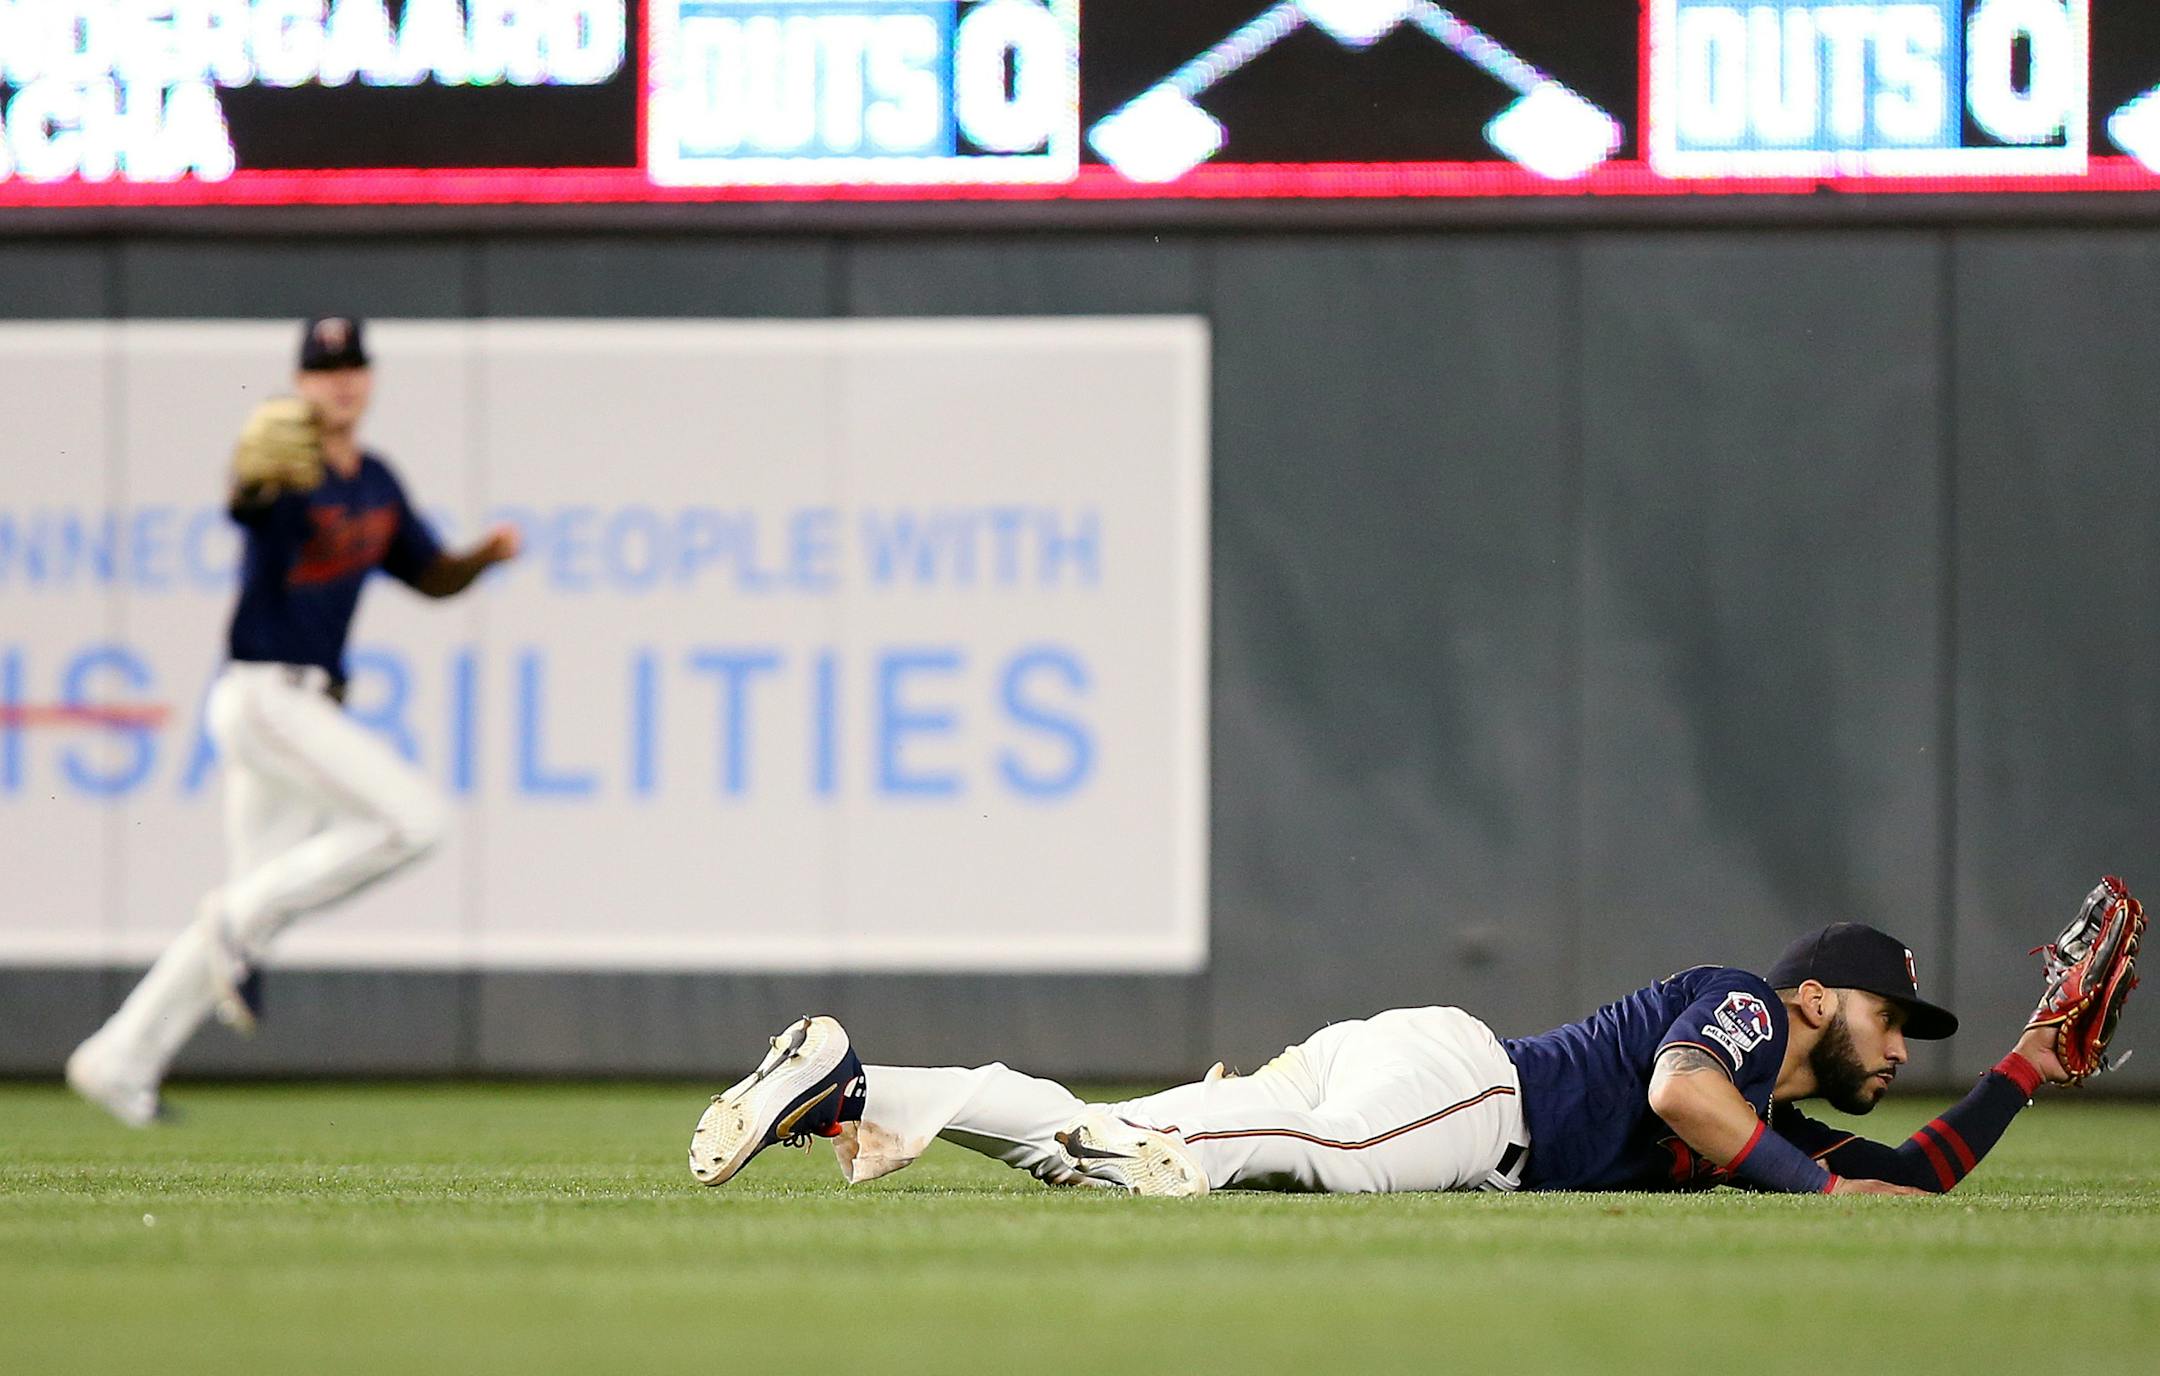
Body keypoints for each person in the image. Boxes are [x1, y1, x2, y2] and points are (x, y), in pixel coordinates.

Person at [687, 921, 2073, 1196]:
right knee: (1297, 1166)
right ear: (1821, 999)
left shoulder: (1786, 1126)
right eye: (1896, 1022)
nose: (1900, 1050)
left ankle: (859, 1086)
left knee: (1086, 1138)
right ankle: (1178, 1157)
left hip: (1403, 1059)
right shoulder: (1747, 1014)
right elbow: (1679, 1097)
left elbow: (1921, 1184)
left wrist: (2028, 1064)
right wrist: (1824, 1200)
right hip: (1477, 1095)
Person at [67, 316, 520, 1127]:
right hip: (265, 696)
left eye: (351, 365)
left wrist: (482, 556)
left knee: (252, 912)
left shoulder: (375, 480)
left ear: (369, 377)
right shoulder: (284, 465)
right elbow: (248, 504)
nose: (340, 380)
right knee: (414, 823)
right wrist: (251, 476)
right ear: (301, 381)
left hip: (305, 702)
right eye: (323, 368)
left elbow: (429, 574)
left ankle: (116, 1059)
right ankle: (231, 922)